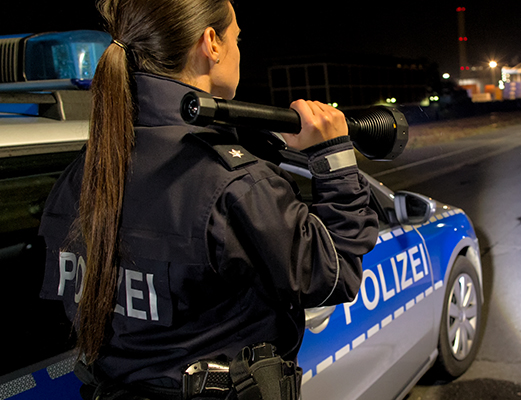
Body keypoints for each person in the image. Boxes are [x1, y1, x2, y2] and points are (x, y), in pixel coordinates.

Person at [38, 0, 378, 398]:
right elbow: (333, 275)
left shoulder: (84, 171)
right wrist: (333, 158)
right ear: (211, 43)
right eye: (236, 37)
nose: (238, 49)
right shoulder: (234, 184)